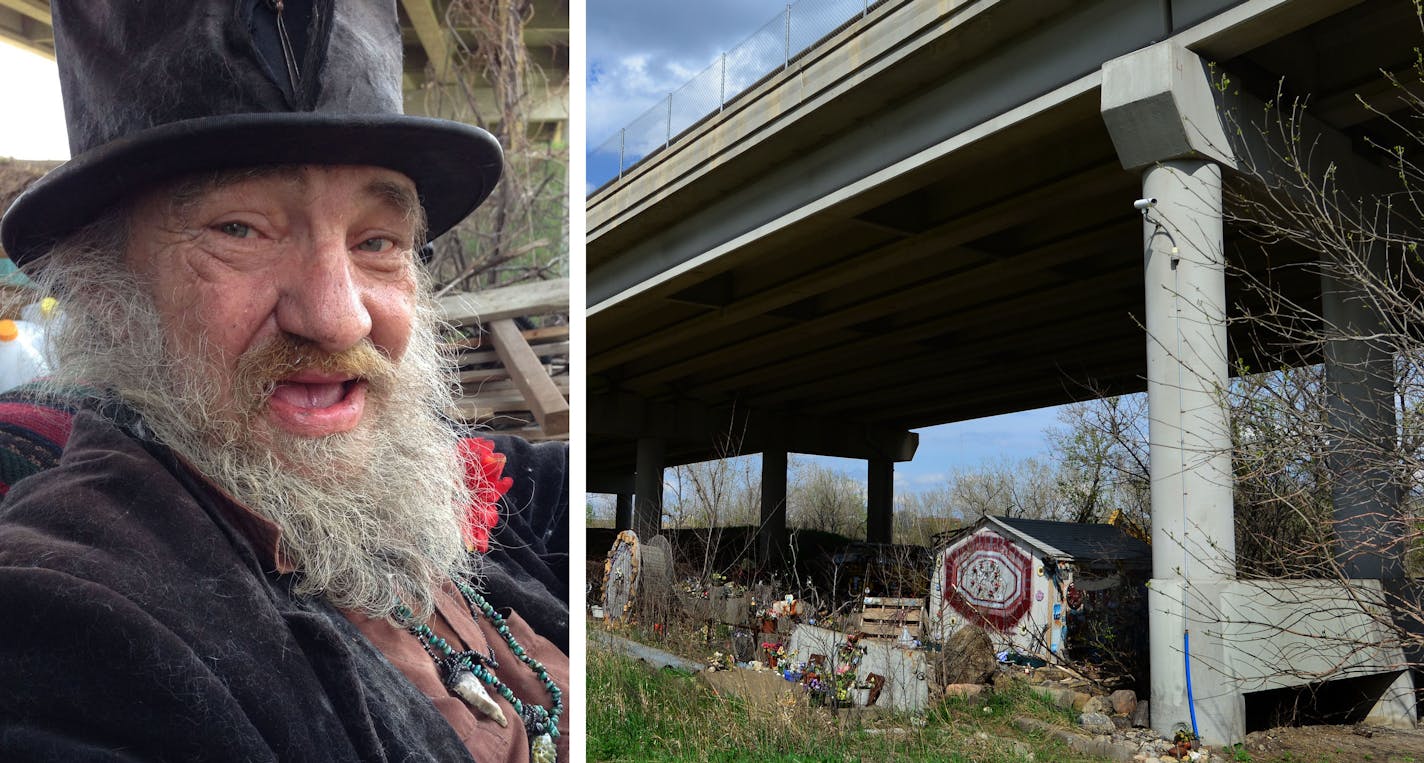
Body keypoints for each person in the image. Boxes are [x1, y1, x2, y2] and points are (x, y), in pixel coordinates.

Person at [0, 2, 569, 761]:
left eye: (377, 241)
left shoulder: (424, 483)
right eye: (240, 229)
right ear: (105, 288)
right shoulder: (71, 622)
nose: (337, 319)